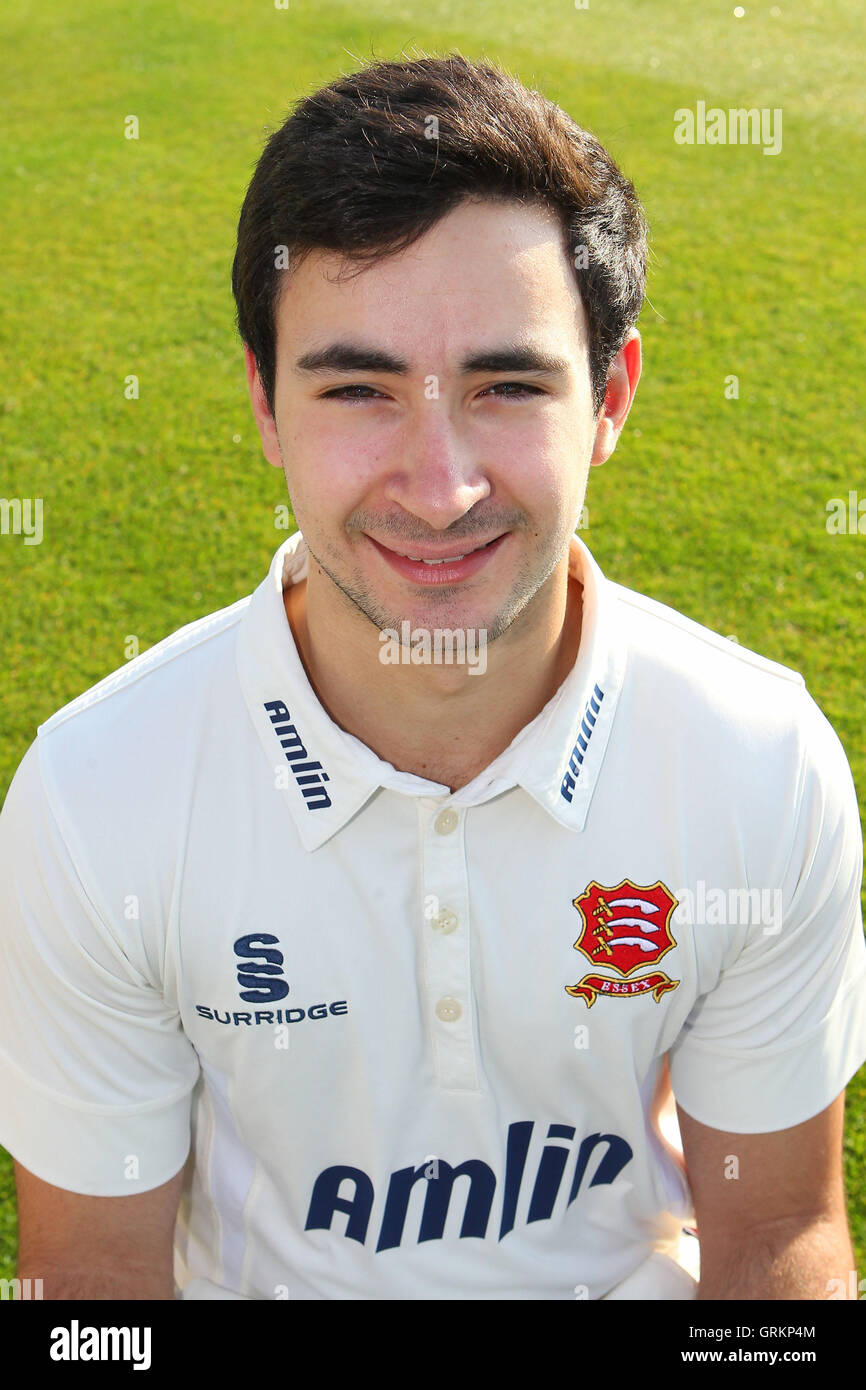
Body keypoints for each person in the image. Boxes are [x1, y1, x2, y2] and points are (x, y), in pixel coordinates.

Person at [2, 52, 865, 1302]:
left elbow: (777, 1229)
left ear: (610, 396)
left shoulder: (756, 757)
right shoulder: (97, 793)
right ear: (262, 404)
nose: (440, 485)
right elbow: (88, 1292)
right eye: (356, 387)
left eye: (504, 385)